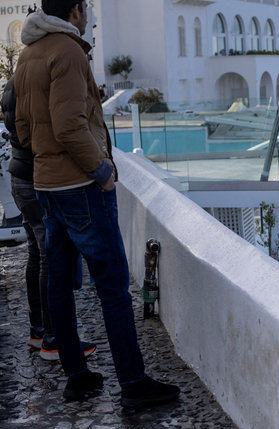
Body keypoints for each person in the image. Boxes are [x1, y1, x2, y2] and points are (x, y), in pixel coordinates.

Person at [15, 1, 179, 407]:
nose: (88, 13)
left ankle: (77, 376)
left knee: (59, 283)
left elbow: (21, 126)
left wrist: (47, 162)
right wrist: (102, 171)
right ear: (74, 11)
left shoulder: (29, 53)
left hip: (47, 186)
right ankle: (133, 382)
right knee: (112, 286)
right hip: (80, 185)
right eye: (85, 7)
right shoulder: (67, 50)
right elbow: (69, 124)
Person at [2, 77, 97, 361]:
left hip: (19, 176)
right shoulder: (36, 82)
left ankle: (38, 331)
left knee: (37, 254)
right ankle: (55, 340)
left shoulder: (13, 81)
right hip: (35, 178)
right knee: (51, 258)